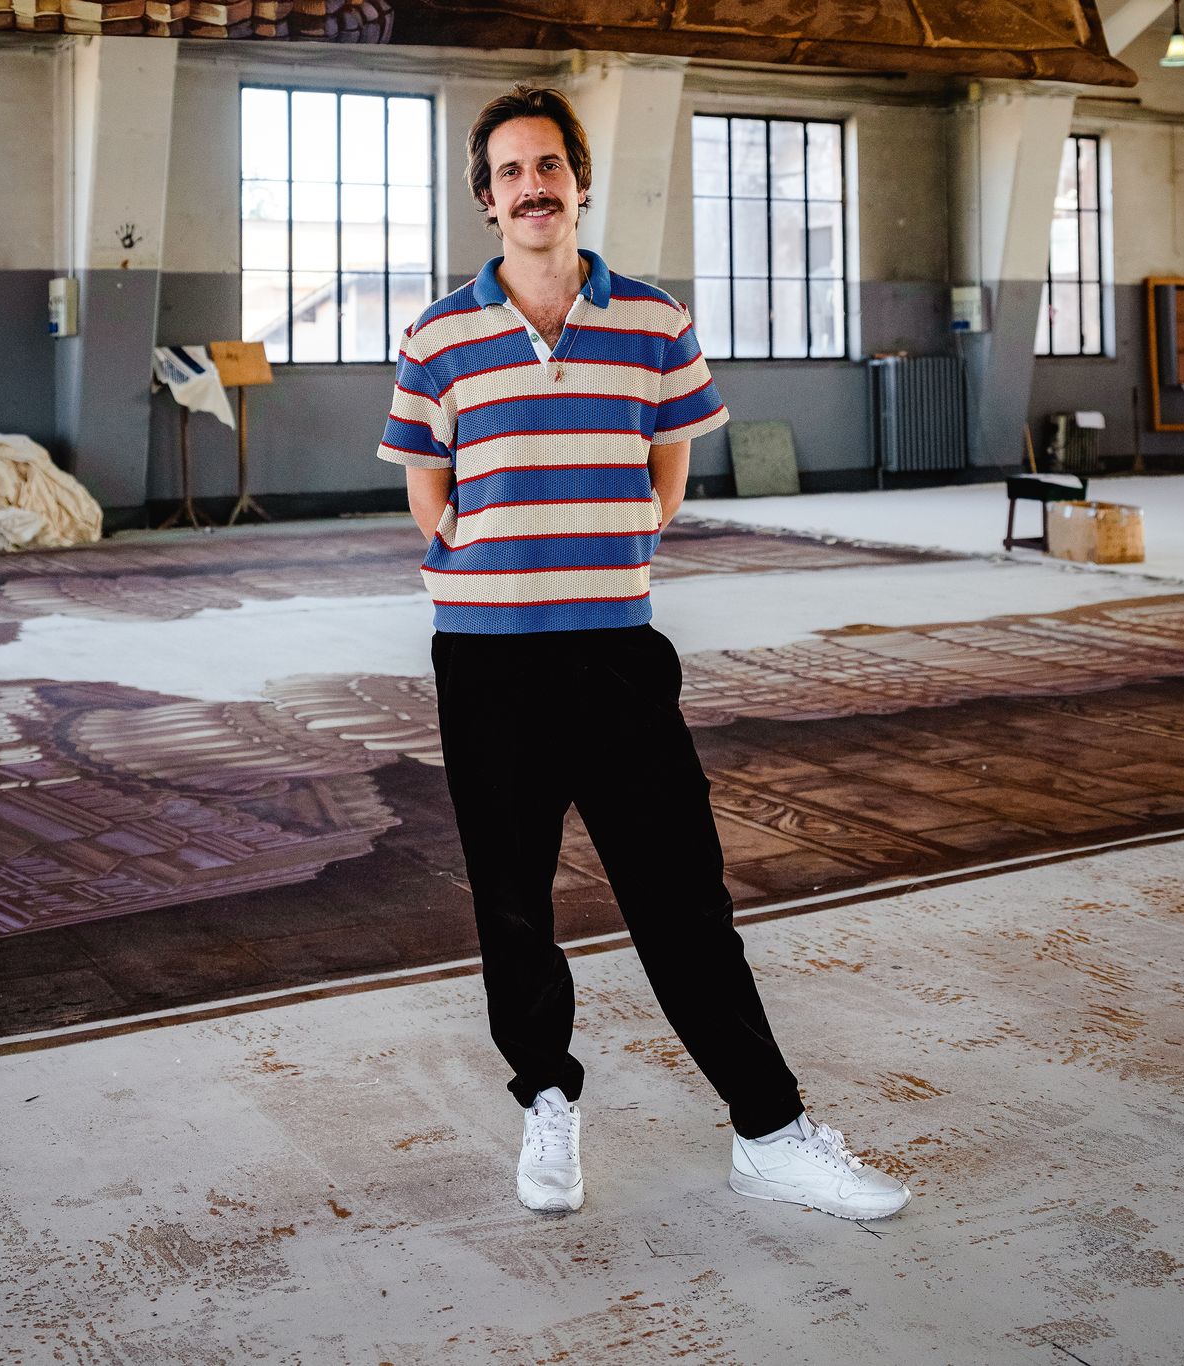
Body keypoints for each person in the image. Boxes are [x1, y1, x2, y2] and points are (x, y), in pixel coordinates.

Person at [377, 83, 909, 1224]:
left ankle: (769, 1131)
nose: (532, 186)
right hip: (488, 661)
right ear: (486, 199)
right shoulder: (438, 335)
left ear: (579, 181)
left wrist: (619, 537)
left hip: (616, 653)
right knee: (512, 903)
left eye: (549, 166)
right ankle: (546, 1100)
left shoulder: (656, 323)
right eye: (510, 172)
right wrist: (476, 550)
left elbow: (670, 472)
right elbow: (426, 486)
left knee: (682, 901)